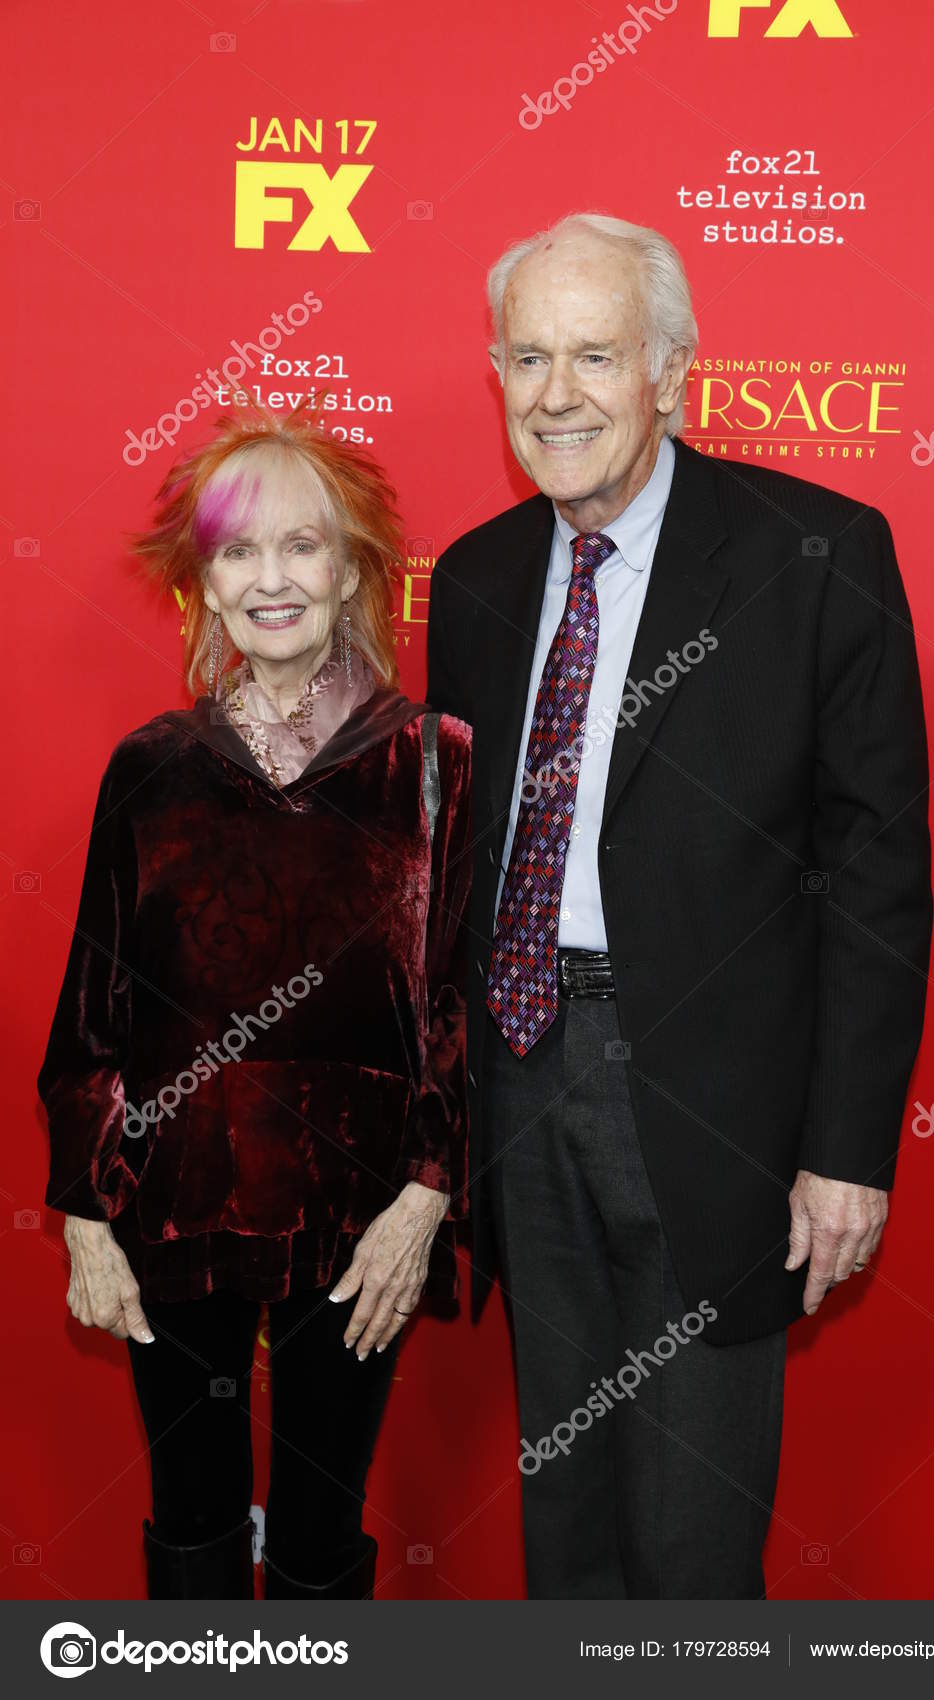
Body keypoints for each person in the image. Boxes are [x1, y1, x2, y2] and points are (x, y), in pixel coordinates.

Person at [426, 212, 933, 1599]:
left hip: (719, 1111)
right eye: (525, 357)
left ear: (671, 371)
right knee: (565, 1518)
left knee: (696, 1546)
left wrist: (845, 1150)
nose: (554, 393)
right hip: (518, 1087)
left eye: (594, 355)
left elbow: (876, 875)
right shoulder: (471, 581)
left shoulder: (815, 556)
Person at [38, 402, 472, 1600]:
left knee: (323, 1531)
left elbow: (457, 1007)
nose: (269, 577)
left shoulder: (435, 761)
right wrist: (84, 1213)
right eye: (237, 549)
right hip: (169, 1202)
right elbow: (94, 1011)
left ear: (353, 573)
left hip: (360, 1212)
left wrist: (425, 1196)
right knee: (191, 1523)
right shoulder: (151, 766)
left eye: (301, 546)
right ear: (204, 582)